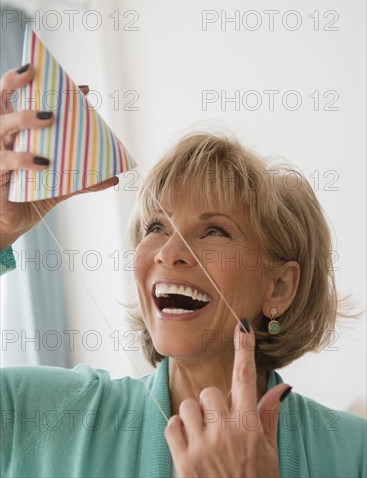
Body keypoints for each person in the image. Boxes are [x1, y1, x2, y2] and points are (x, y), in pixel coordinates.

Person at [0, 65, 366, 478]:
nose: (169, 252)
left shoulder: (356, 454)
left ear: (279, 286)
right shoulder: (35, 411)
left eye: (214, 231)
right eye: (156, 227)